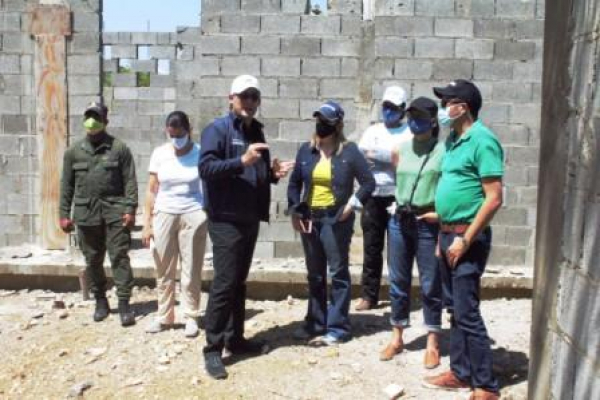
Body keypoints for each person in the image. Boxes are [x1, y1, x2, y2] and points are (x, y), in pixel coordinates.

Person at [198, 75, 294, 379]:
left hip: (249, 217)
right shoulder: (217, 129)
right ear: (231, 98)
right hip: (225, 219)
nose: (249, 102)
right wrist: (241, 160)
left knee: (239, 282)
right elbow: (206, 168)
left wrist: (273, 173)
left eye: (254, 96)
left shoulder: (257, 130)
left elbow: (257, 173)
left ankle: (234, 339)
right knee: (225, 283)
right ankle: (212, 349)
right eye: (244, 96)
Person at [423, 80, 503, 400]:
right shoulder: (455, 139)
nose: (443, 109)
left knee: (467, 311)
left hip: (466, 238)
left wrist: (465, 240)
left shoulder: (483, 140)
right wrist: (442, 227)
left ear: (463, 106)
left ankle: (486, 386)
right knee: (454, 307)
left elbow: (493, 198)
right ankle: (460, 371)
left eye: (447, 102)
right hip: (448, 233)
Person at [287, 101, 375, 345]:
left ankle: (337, 327)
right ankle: (315, 322)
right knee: (314, 274)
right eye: (318, 120)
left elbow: (368, 183)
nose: (320, 126)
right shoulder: (307, 150)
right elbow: (294, 184)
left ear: (337, 125)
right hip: (310, 218)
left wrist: (352, 204)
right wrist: (295, 210)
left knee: (337, 272)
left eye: (326, 122)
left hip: (336, 219)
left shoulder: (349, 151)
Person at [59, 102, 138, 327]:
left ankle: (124, 304)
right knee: (93, 259)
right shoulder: (73, 152)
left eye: (97, 117)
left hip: (115, 212)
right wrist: (64, 214)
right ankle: (100, 301)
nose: (92, 121)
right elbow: (66, 186)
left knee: (119, 257)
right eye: (89, 116)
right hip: (85, 214)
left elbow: (130, 181)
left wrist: (130, 208)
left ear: (105, 120)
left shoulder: (119, 148)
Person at [380, 97, 444, 370]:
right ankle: (397, 336)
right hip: (400, 220)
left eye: (420, 117)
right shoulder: (401, 149)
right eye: (411, 116)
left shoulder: (443, 152)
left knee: (430, 283)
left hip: (427, 221)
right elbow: (400, 179)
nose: (414, 122)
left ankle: (433, 342)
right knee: (398, 280)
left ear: (433, 121)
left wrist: (441, 216)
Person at [141, 111, 207, 338]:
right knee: (163, 268)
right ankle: (164, 316)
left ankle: (191, 316)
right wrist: (146, 223)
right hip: (164, 213)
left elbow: (208, 185)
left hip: (193, 213)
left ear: (188, 131)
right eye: (171, 135)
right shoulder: (160, 154)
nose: (176, 139)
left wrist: (206, 212)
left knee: (191, 269)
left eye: (180, 135)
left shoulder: (200, 153)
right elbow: (151, 189)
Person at [356, 86, 412, 311]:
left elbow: (405, 160)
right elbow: (362, 155)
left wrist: (380, 155)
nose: (388, 111)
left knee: (400, 249)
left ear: (403, 110)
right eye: (386, 106)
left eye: (393, 108)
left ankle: (400, 296)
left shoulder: (409, 133)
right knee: (372, 246)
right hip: (373, 196)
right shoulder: (373, 131)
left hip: (398, 196)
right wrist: (391, 157)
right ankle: (369, 295)